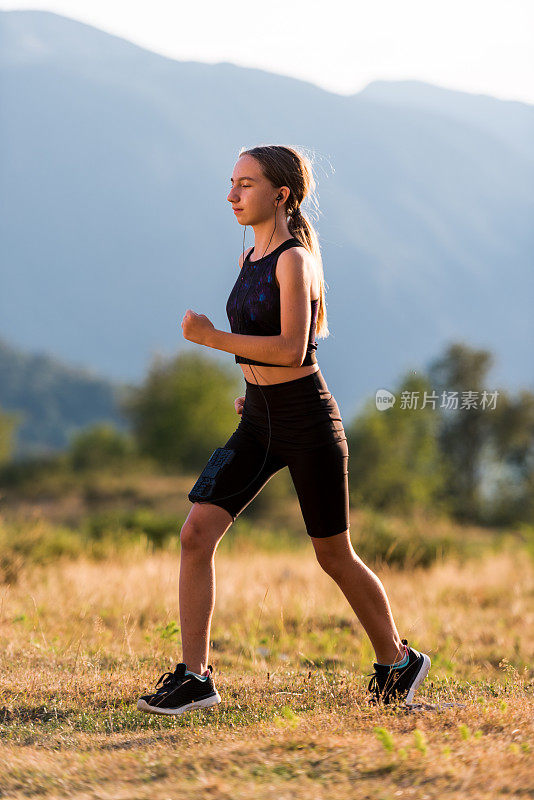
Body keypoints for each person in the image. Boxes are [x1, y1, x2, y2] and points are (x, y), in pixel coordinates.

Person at [137, 144, 431, 717]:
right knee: (196, 533)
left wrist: (210, 337)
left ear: (282, 195)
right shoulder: (251, 257)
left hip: (307, 422)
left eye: (245, 185)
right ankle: (195, 678)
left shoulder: (294, 260)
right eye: (231, 183)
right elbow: (263, 349)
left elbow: (292, 350)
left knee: (333, 555)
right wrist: (250, 390)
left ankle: (398, 662)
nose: (232, 195)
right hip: (259, 419)